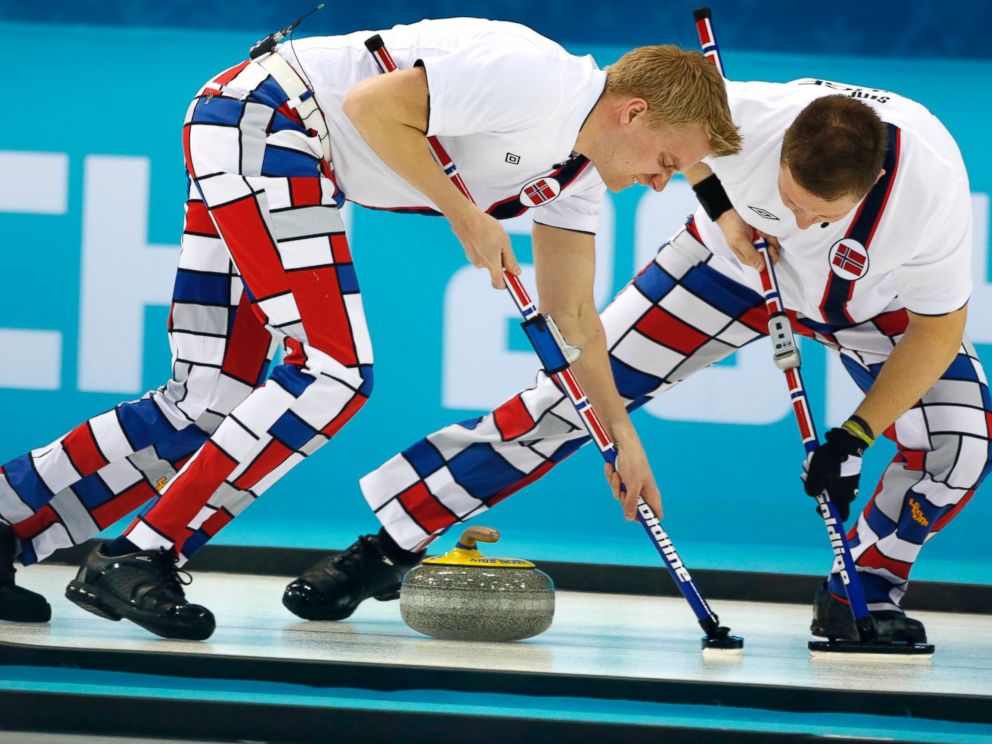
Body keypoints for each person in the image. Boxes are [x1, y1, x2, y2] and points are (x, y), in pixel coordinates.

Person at [0, 18, 739, 639]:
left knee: (212, 398)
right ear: (633, 112)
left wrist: (619, 434)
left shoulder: (574, 178)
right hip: (268, 121)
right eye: (669, 161)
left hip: (269, 143)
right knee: (332, 371)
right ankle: (143, 553)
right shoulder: (537, 76)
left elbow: (575, 318)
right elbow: (372, 105)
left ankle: (9, 519)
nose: (661, 181)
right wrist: (464, 214)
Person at [301, 77, 989, 646]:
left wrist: (854, 435)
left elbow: (936, 333)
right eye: (787, 200)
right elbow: (667, 129)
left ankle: (859, 597)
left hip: (881, 307)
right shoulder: (748, 116)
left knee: (962, 446)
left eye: (818, 216)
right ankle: (390, 543)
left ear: (870, 185)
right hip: (729, 272)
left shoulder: (930, 193)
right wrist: (724, 209)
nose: (798, 224)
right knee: (574, 399)